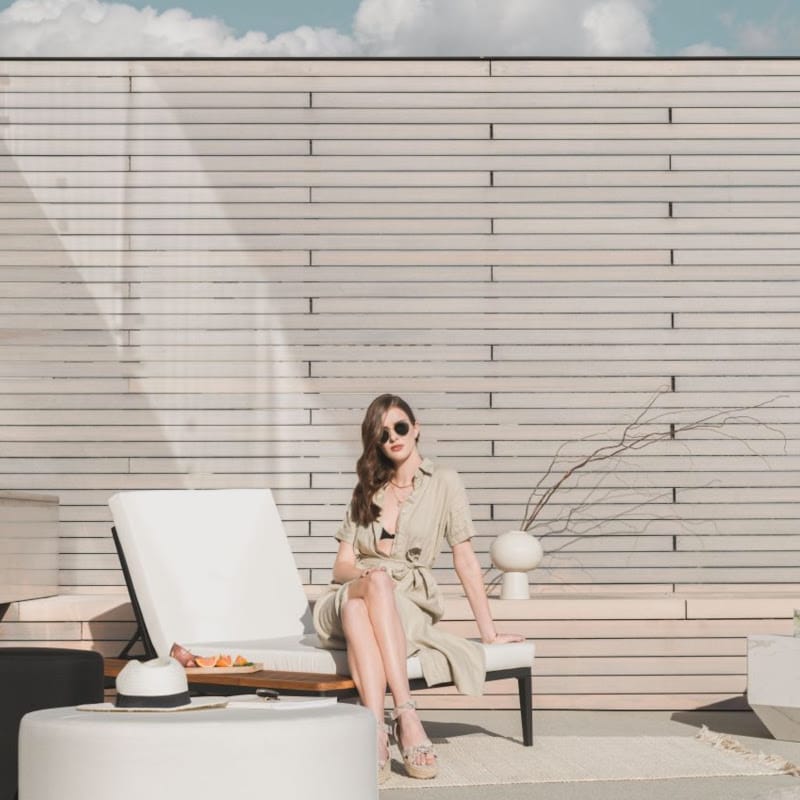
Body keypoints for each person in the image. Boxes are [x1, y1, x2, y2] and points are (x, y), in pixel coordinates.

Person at [313, 393, 524, 783]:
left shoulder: (444, 481)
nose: (393, 436)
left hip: (403, 600)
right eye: (383, 433)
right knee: (369, 589)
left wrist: (488, 632)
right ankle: (407, 715)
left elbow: (464, 558)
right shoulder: (367, 490)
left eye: (400, 427)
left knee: (364, 610)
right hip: (347, 593)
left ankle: (375, 726)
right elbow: (340, 566)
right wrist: (367, 576)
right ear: (375, 443)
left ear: (416, 427)